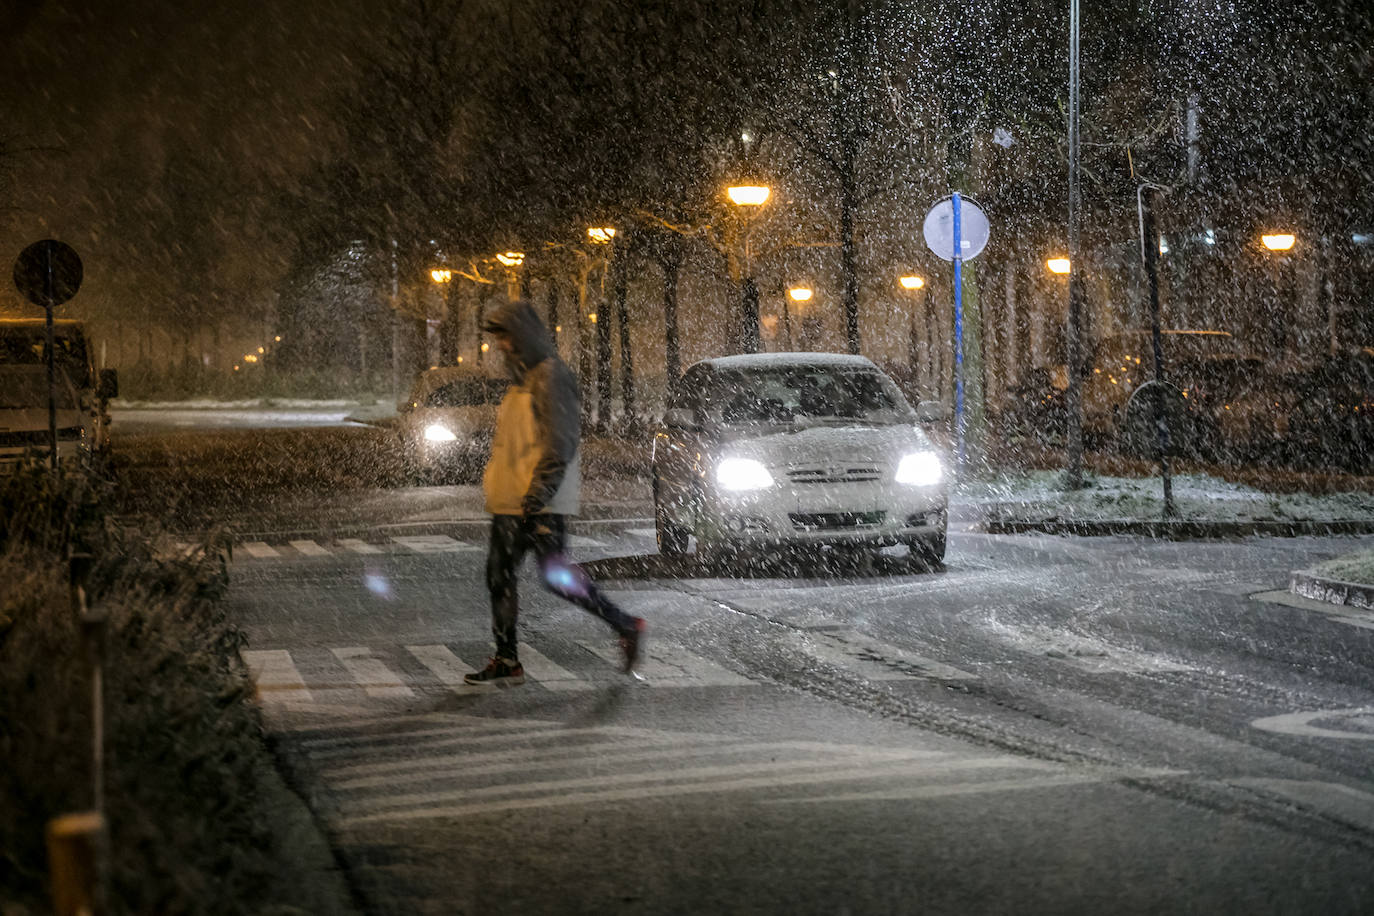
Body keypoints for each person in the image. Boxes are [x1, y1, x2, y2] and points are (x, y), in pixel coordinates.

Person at [464, 299, 646, 687]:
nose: (500, 346)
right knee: (501, 577)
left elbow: (559, 442)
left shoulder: (550, 377)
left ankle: (626, 625)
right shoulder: (522, 379)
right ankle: (507, 658)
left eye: (505, 337)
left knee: (553, 578)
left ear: (522, 336)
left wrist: (537, 494)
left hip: (536, 502)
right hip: (513, 502)